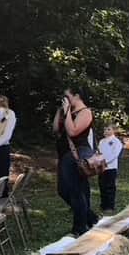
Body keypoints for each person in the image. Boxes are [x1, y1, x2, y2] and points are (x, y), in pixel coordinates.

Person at [53, 86, 99, 235]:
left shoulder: (85, 112)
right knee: (63, 190)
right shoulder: (66, 111)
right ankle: (90, 218)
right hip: (64, 153)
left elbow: (72, 131)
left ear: (77, 96)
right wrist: (60, 111)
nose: (65, 98)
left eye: (67, 96)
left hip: (77, 154)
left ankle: (79, 228)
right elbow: (55, 129)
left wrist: (66, 113)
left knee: (76, 190)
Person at [98, 124, 124, 214]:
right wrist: (99, 162)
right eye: (105, 129)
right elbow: (99, 152)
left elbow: (114, 154)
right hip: (101, 167)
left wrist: (105, 162)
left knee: (110, 187)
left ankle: (110, 206)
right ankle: (103, 204)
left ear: (114, 131)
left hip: (111, 167)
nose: (106, 131)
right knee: (102, 186)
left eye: (108, 129)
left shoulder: (117, 142)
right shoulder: (101, 141)